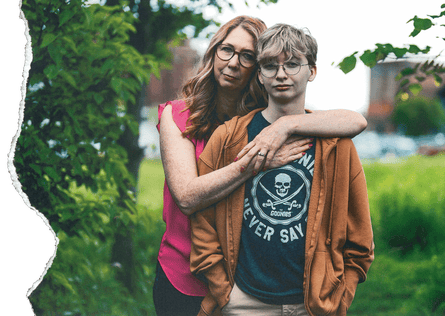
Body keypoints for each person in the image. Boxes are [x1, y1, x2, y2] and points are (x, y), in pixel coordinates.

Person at [154, 16, 368, 316]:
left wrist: (286, 125)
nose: (232, 62)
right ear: (214, 51)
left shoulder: (262, 124)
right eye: (226, 50)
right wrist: (258, 161)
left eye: (247, 56)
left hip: (261, 279)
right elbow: (189, 199)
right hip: (190, 273)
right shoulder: (188, 119)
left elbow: (357, 121)